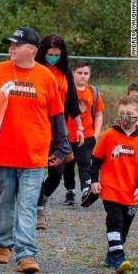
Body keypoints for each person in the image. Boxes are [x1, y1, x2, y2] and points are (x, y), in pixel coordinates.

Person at [0, 27, 70, 273]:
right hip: (4, 153)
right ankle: (3, 245)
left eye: (17, 45)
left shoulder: (45, 76)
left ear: (32, 49)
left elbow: (57, 114)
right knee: (5, 203)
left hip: (34, 155)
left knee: (28, 205)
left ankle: (26, 255)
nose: (12, 48)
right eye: (10, 44)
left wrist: (62, 147)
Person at [35, 34, 82, 227]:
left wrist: (79, 126)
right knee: (36, 171)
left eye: (56, 54)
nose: (52, 57)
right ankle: (37, 209)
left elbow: (72, 101)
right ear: (42, 52)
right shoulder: (36, 69)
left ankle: (42, 199)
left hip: (58, 129)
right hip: (38, 126)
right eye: (49, 54)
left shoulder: (65, 73)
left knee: (56, 172)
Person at [89, 96, 138, 273]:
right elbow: (95, 159)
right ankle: (119, 258)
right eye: (122, 113)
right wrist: (94, 180)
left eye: (130, 114)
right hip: (111, 189)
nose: (126, 117)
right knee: (115, 222)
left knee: (124, 228)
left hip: (131, 193)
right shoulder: (110, 134)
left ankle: (111, 255)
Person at [63, 60, 104, 206]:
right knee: (68, 164)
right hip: (68, 136)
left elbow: (98, 115)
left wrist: (95, 135)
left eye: (86, 73)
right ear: (73, 73)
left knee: (85, 163)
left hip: (87, 136)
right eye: (79, 73)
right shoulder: (67, 90)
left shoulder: (93, 91)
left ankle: (86, 190)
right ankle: (70, 191)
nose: (83, 76)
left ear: (90, 74)